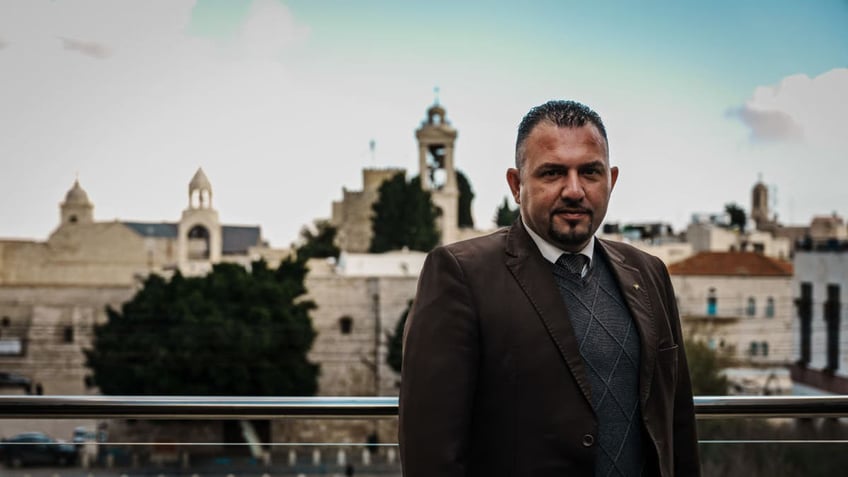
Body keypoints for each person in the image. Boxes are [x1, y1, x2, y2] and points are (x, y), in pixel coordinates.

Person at [398, 100, 700, 476]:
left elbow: (678, 428)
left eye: (590, 172)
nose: (574, 190)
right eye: (553, 173)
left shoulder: (649, 273)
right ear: (516, 184)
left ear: (612, 180)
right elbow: (431, 454)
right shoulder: (460, 275)